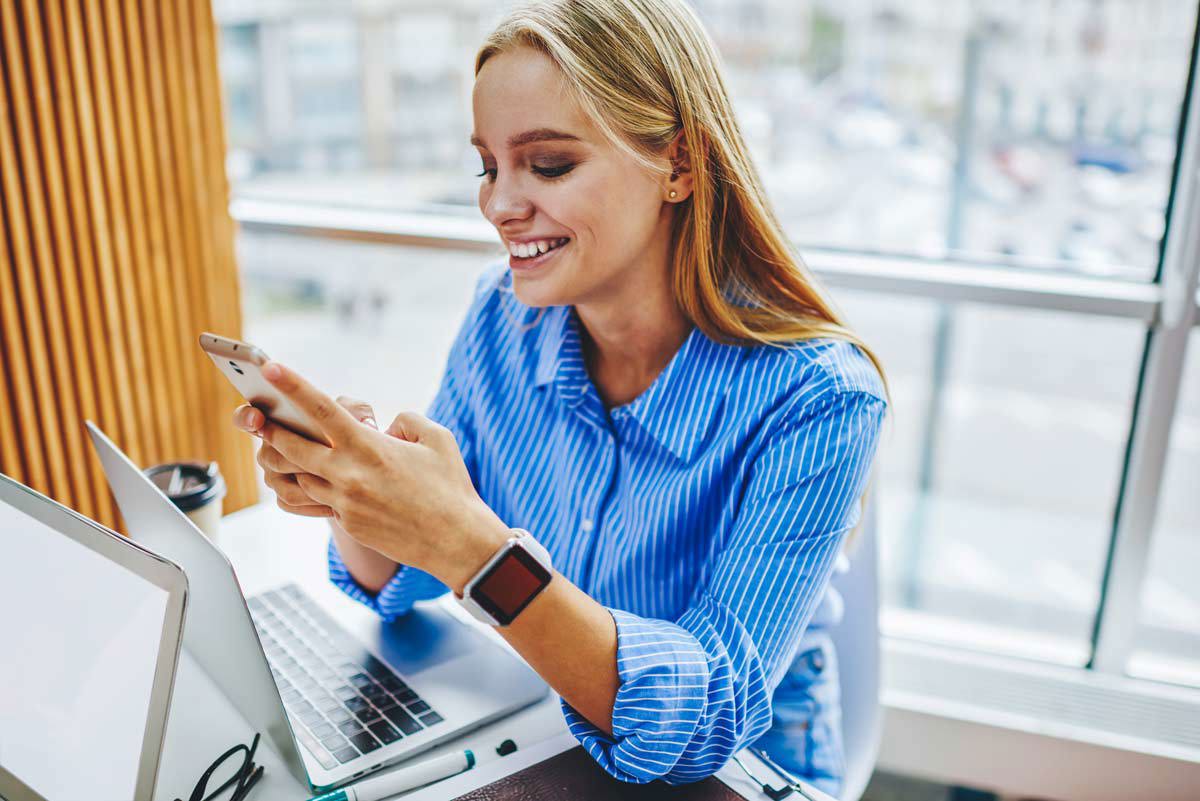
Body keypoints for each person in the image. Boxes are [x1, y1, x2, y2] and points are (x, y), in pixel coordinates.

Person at [232, 0, 888, 794]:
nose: (500, 204)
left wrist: (473, 551)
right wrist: (358, 499)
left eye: (547, 166)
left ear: (679, 165)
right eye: (488, 165)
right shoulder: (500, 316)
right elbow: (407, 577)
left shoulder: (819, 397)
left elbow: (704, 719)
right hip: (550, 725)